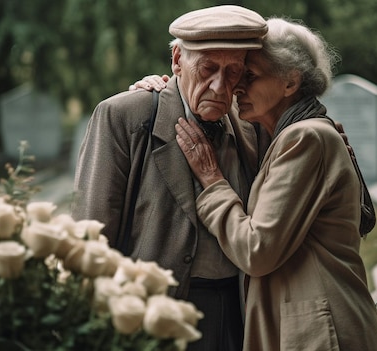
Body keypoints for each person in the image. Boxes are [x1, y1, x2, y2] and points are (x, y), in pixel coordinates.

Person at [172, 17, 377, 350]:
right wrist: (167, 82)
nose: (238, 87)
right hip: (309, 325)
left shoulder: (305, 137)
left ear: (290, 83)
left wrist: (213, 182)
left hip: (321, 332)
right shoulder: (290, 134)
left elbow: (257, 250)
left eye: (250, 76)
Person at [72, 5, 269, 350]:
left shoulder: (251, 125)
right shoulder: (125, 117)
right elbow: (91, 237)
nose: (220, 86)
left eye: (233, 71)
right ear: (177, 60)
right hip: (153, 318)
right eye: (208, 68)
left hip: (240, 312)